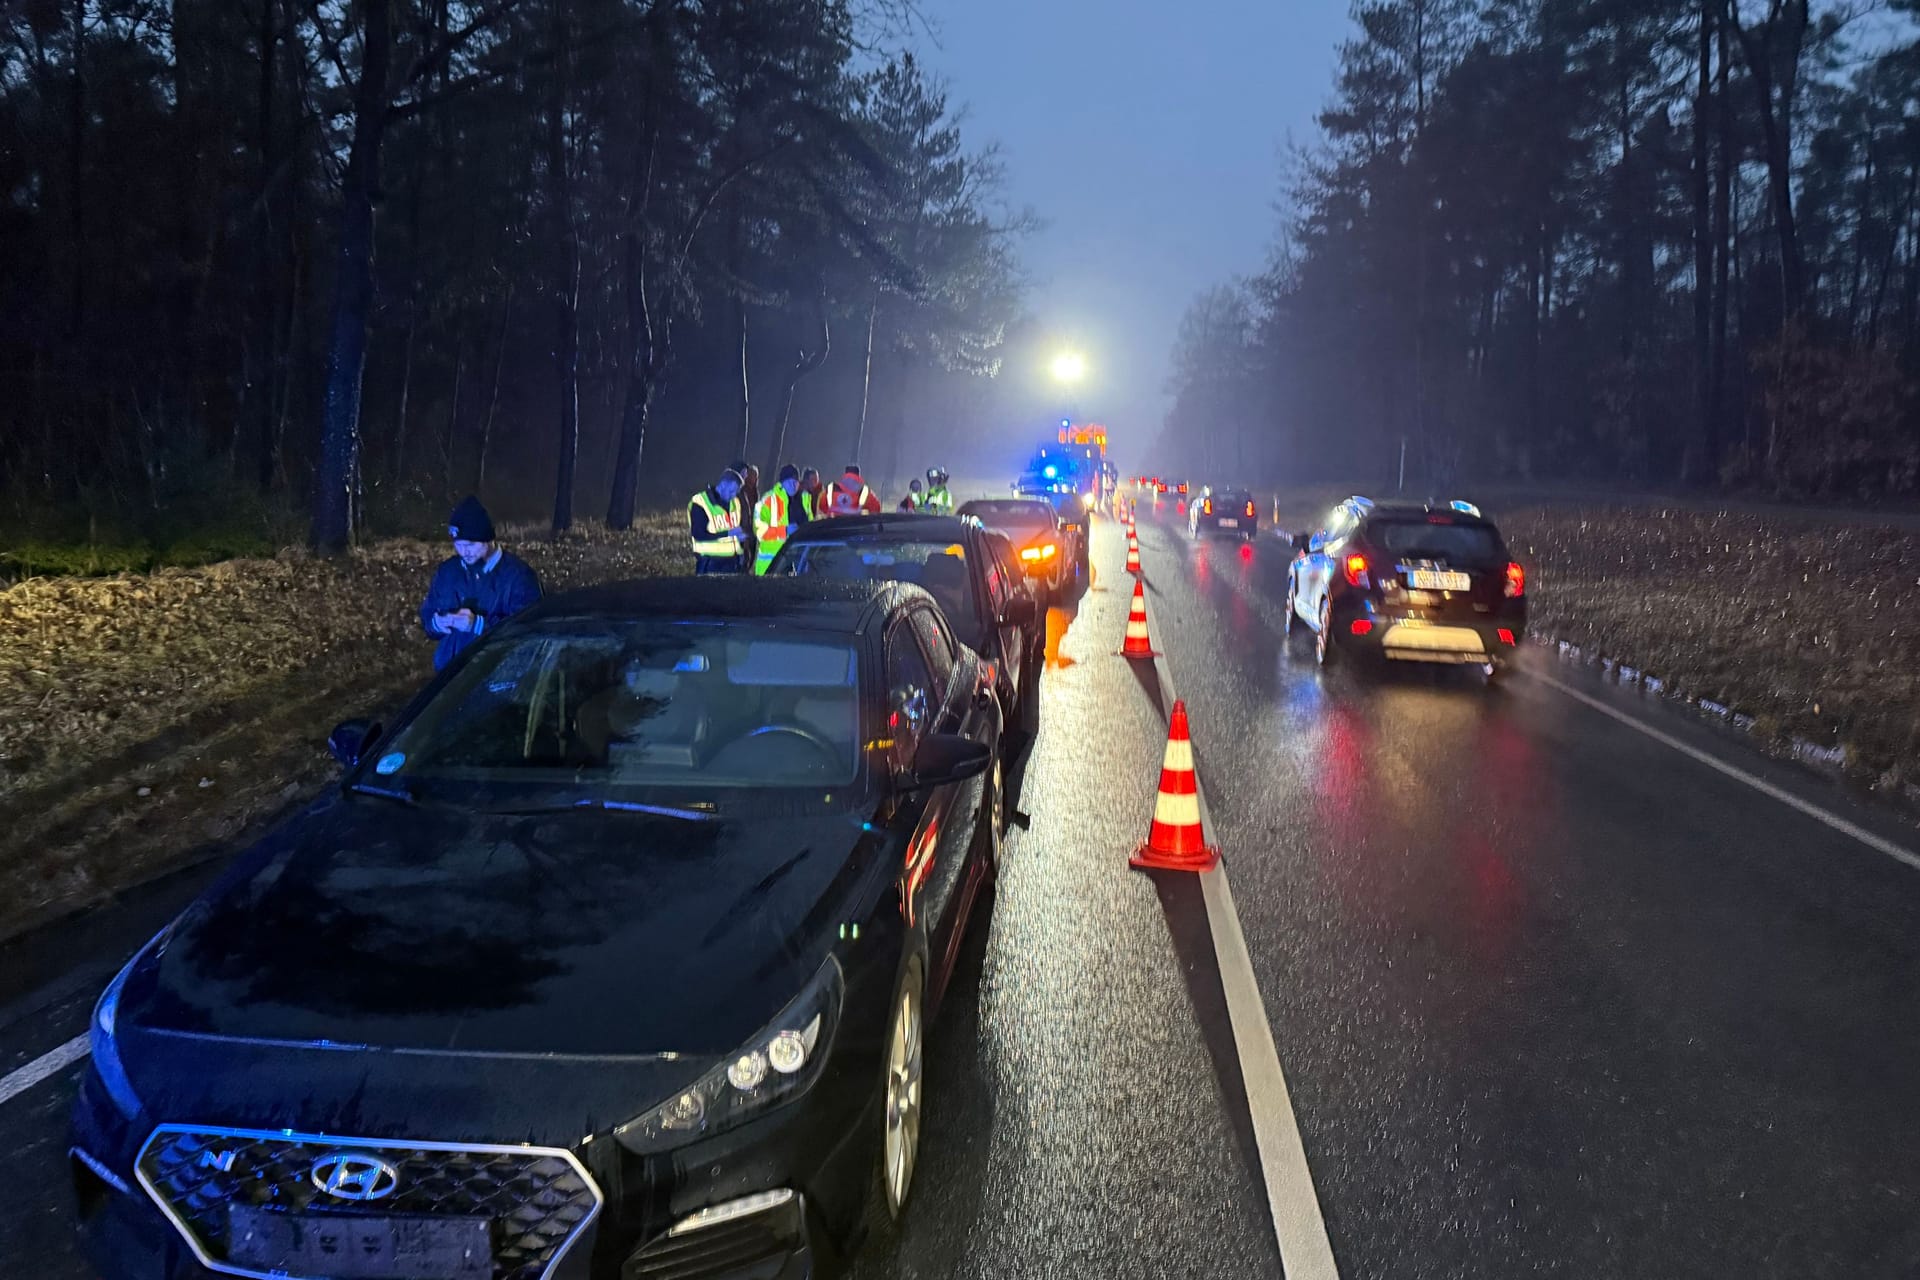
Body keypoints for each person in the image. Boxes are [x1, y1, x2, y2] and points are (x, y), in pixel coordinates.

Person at [418, 496, 542, 671]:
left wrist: (479, 625)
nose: (464, 551)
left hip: (497, 679)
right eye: (458, 545)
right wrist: (437, 623)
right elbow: (428, 614)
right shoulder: (448, 572)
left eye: (470, 544)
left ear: (488, 539)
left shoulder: (519, 577)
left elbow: (530, 631)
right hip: (449, 679)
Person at [689, 469, 749, 574]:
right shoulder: (701, 502)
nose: (734, 495)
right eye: (731, 491)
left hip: (733, 563)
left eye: (736, 492)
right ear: (722, 485)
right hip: (710, 564)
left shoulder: (735, 503)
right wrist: (728, 534)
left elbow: (732, 528)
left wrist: (739, 537)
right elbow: (698, 534)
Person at [753, 465, 803, 574]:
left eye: (796, 482)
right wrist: (784, 531)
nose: (794, 485)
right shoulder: (768, 499)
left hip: (792, 563)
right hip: (769, 565)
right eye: (791, 482)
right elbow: (759, 530)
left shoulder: (801, 501)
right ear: (783, 482)